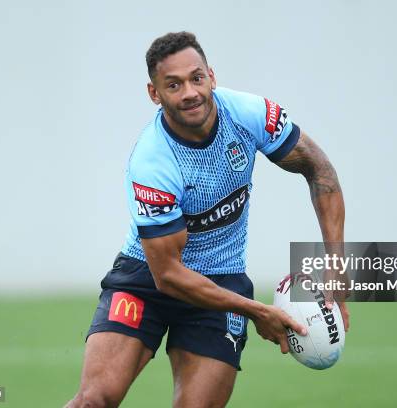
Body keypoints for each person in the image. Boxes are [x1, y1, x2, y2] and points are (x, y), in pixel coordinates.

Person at [66, 31, 349, 408]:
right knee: (93, 401)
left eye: (196, 78)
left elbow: (319, 169)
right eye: (173, 84)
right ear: (155, 94)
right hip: (145, 279)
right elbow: (167, 275)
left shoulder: (249, 115)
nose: (189, 92)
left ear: (211, 76)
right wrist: (257, 311)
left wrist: (335, 263)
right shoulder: (153, 162)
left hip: (222, 280)